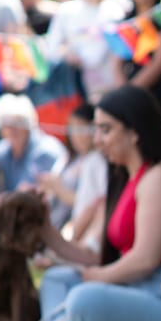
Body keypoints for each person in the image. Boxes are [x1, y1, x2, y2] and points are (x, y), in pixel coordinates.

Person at [21, 85, 161, 321]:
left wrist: (98, 278)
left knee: (83, 300)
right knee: (57, 280)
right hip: (140, 289)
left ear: (134, 132)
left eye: (106, 130)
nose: (97, 140)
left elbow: (145, 260)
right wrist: (48, 231)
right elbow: (102, 258)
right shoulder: (125, 179)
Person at [0, 93, 68, 214]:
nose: (11, 130)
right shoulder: (6, 148)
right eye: (6, 125)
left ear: (28, 124)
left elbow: (23, 198)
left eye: (17, 124)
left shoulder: (44, 151)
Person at [44, 0, 123, 104]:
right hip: (73, 87)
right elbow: (52, 47)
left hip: (107, 85)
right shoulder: (66, 10)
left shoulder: (114, 10)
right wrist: (66, 55)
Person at [37, 104, 106, 250]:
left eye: (81, 128)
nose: (76, 136)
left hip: (88, 232)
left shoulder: (97, 160)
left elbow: (96, 202)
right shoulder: (72, 159)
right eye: (72, 129)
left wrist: (58, 189)